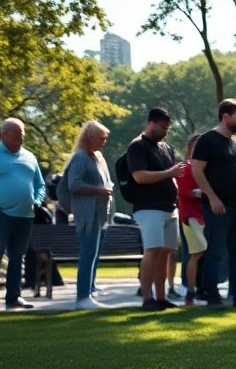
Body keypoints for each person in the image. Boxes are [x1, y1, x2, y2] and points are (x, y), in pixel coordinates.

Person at [0, 118, 45, 313]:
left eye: (22, 133)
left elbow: (40, 185)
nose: (21, 136)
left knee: (17, 257)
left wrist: (36, 202)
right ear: (4, 135)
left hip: (25, 216)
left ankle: (13, 297)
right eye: (17, 133)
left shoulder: (29, 156)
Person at [190, 99, 236, 308]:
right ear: (225, 116)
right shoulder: (207, 140)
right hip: (217, 206)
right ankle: (212, 296)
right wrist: (212, 197)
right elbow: (196, 170)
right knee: (215, 252)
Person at [126, 107, 181, 310]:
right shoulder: (137, 146)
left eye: (167, 128)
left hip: (169, 208)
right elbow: (139, 176)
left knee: (166, 252)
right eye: (162, 127)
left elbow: (172, 174)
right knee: (152, 250)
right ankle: (146, 297)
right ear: (151, 123)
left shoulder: (166, 148)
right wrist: (170, 173)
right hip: (149, 208)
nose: (165, 132)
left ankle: (161, 297)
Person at [64, 121, 114, 309]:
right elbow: (74, 184)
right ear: (89, 138)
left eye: (105, 139)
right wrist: (98, 191)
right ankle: (82, 297)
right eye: (101, 138)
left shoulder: (98, 157)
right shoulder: (80, 157)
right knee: (88, 253)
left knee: (95, 253)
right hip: (87, 214)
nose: (103, 142)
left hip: (100, 214)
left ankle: (89, 289)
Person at [175, 134, 207, 306]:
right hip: (191, 217)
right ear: (189, 148)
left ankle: (203, 289)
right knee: (197, 254)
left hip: (206, 215)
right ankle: (190, 290)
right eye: (195, 146)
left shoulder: (207, 168)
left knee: (203, 253)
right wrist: (203, 192)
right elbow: (184, 191)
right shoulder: (184, 168)